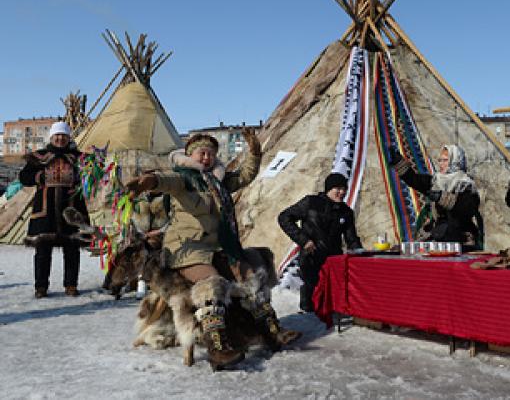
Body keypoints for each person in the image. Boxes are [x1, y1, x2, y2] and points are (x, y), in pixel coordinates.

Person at [126, 130, 298, 370]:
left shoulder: (218, 180)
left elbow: (245, 176)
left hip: (220, 246)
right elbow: (164, 181)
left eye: (210, 153)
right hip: (188, 248)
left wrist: (255, 153)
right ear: (190, 155)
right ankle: (218, 347)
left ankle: (272, 331)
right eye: (201, 153)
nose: (206, 157)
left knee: (250, 274)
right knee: (212, 283)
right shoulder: (183, 178)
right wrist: (147, 182)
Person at [19, 121, 89, 298]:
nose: (60, 138)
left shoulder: (79, 158)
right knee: (42, 251)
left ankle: (71, 285)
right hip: (45, 211)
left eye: (64, 135)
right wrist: (40, 176)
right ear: (51, 137)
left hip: (72, 209)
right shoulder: (39, 157)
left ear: (68, 137)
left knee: (72, 250)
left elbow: (92, 176)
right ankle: (41, 287)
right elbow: (24, 177)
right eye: (57, 135)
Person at [278, 172, 362, 312]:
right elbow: (284, 218)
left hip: (333, 261)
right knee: (311, 302)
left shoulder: (346, 212)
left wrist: (360, 255)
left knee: (331, 303)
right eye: (338, 189)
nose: (342, 192)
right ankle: (309, 318)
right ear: (329, 189)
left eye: (344, 189)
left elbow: (351, 239)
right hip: (311, 257)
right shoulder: (311, 203)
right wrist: (303, 240)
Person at [388, 144, 482, 250]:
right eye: (440, 160)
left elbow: (466, 208)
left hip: (460, 235)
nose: (441, 164)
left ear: (455, 161)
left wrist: (441, 197)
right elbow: (414, 180)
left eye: (445, 160)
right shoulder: (436, 181)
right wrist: (398, 161)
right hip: (438, 232)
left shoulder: (466, 185)